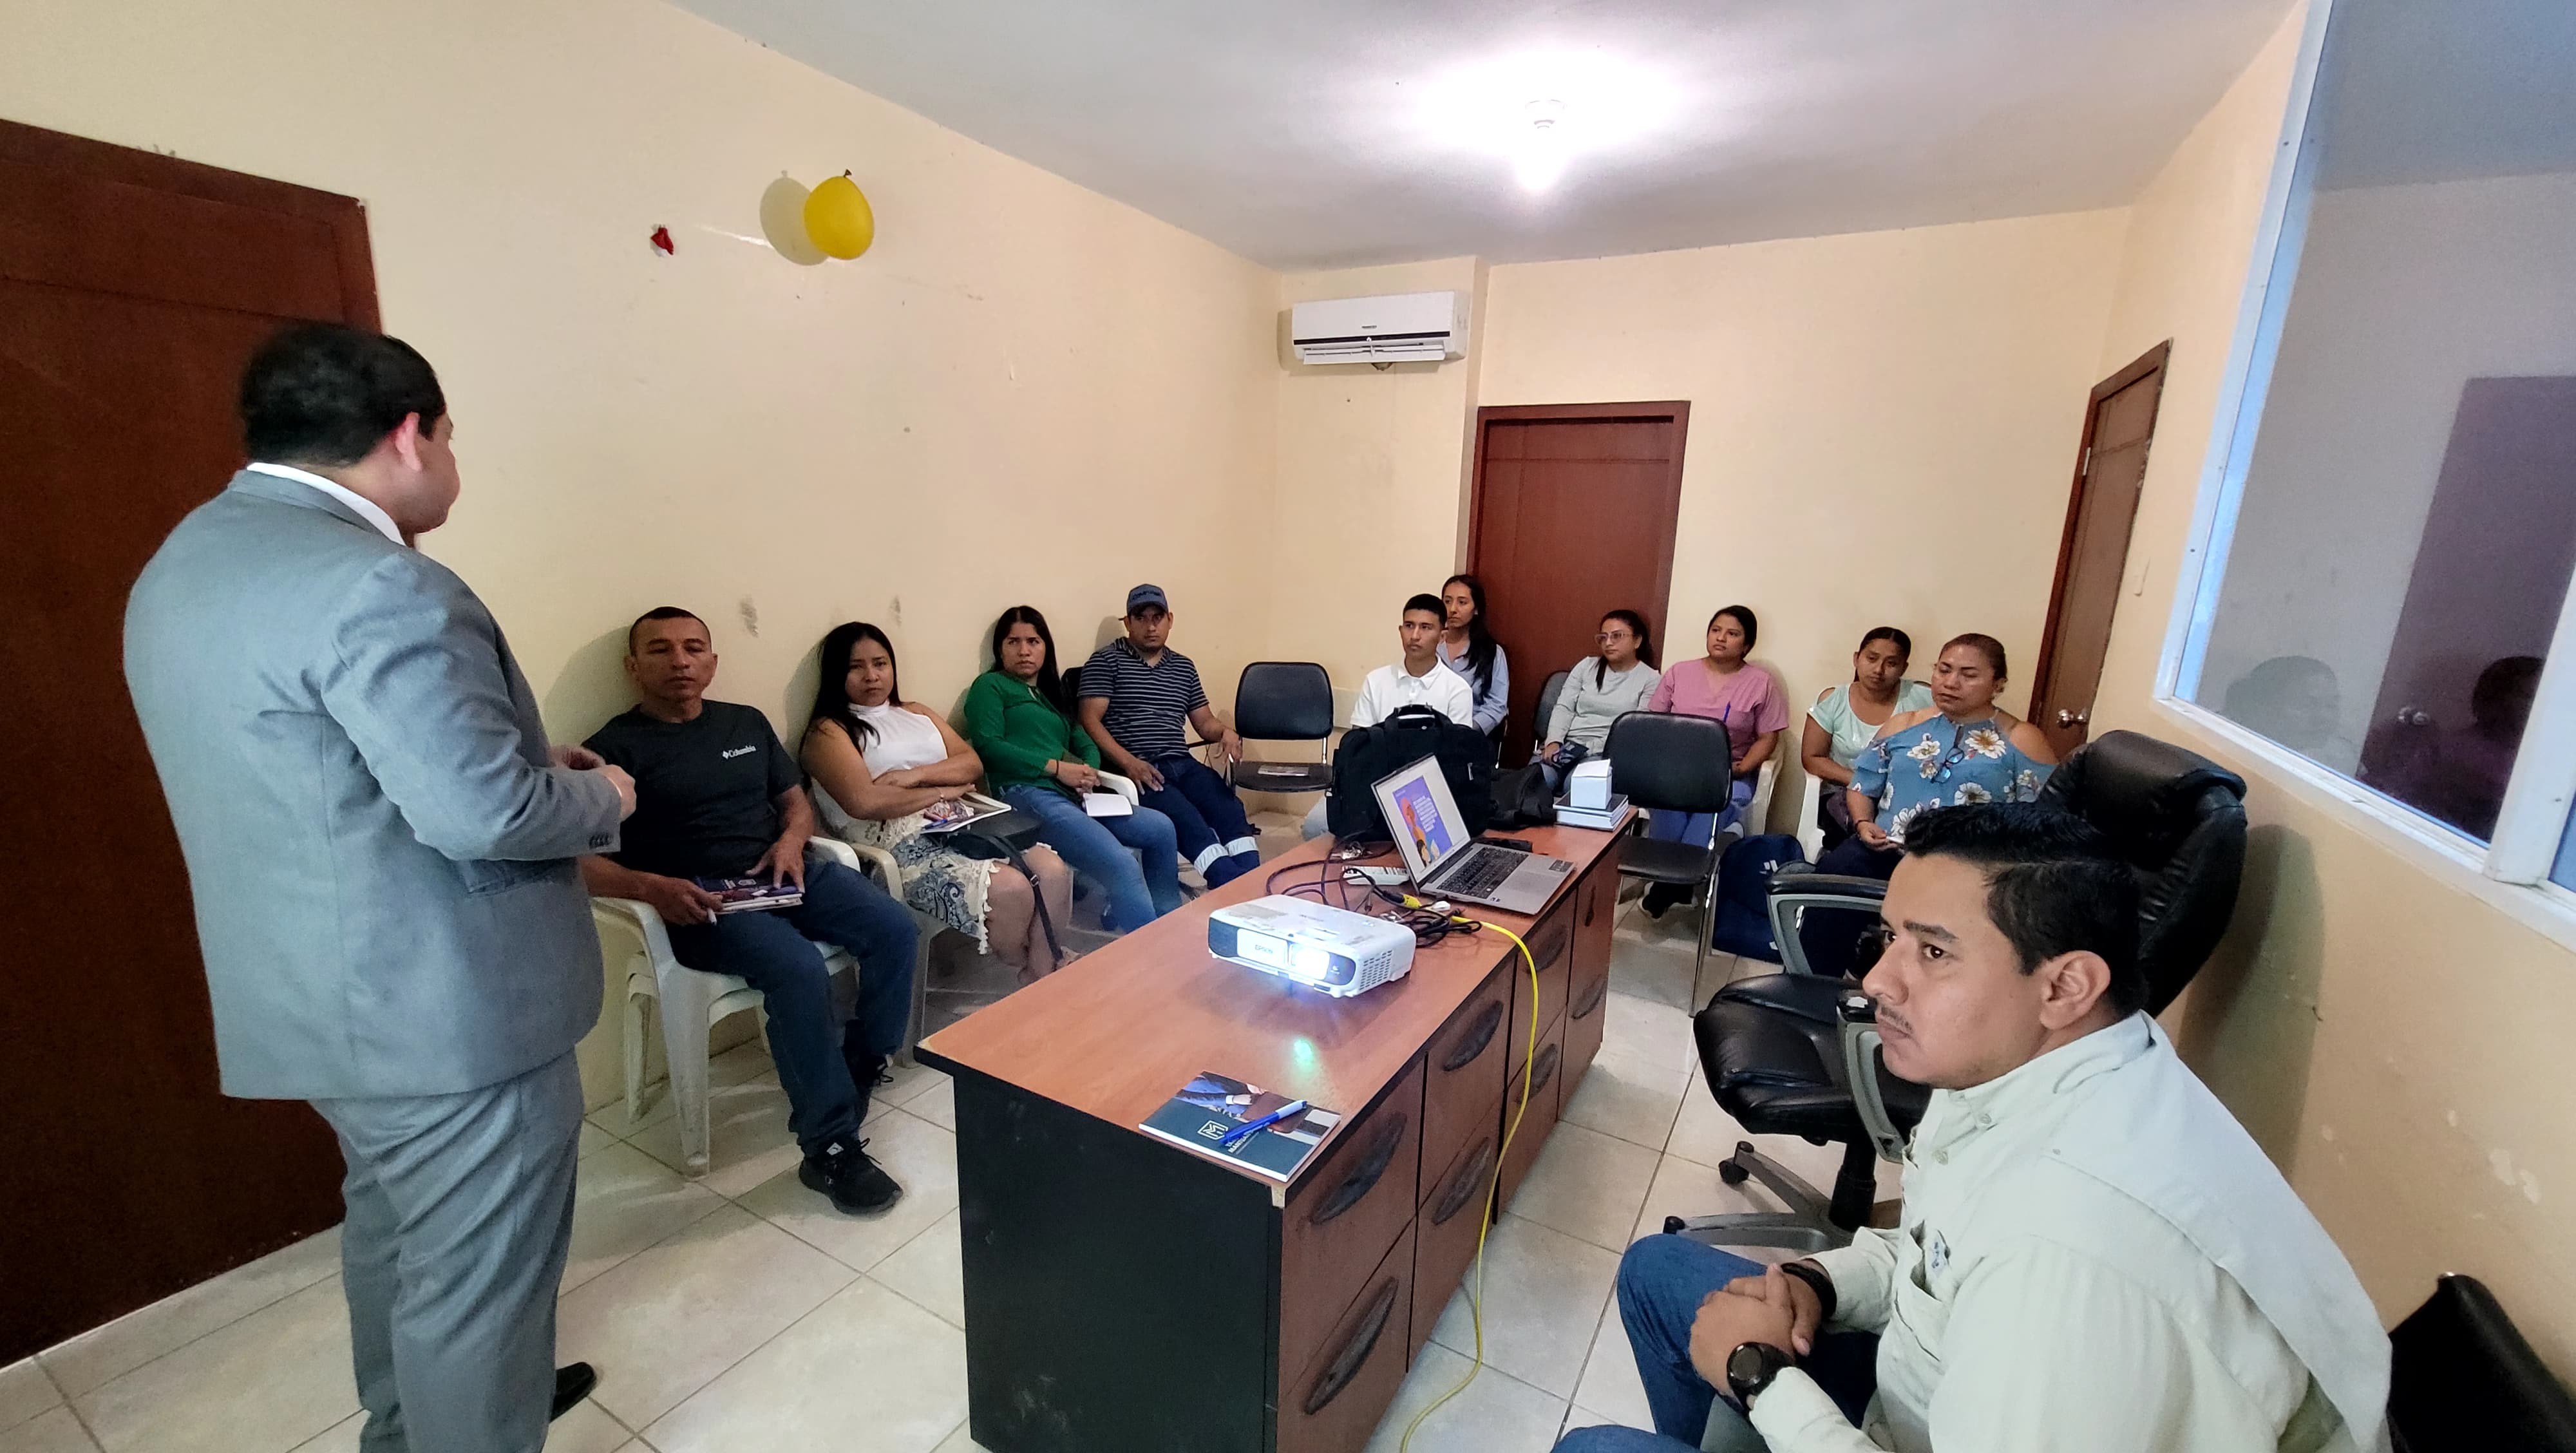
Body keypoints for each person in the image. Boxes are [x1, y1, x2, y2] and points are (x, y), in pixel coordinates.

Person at [124, 323, 635, 1452]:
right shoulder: (381, 585)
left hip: (320, 1001)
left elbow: (319, 767)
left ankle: (406, 1425)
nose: (451, 461)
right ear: (410, 436)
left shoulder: (187, 562)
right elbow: (482, 817)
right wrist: (602, 797)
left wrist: (518, 762)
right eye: (449, 436)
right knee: (478, 1284)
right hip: (447, 1014)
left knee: (397, 1235)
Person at [1555, 804, 2392, 1453]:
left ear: (2065, 986)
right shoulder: (2043, 1065)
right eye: (1892, 938)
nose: (1877, 980)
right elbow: (1937, 1248)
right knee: (1658, 1270)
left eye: (1933, 953)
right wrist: (1816, 1284)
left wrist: (1761, 1379)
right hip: (1932, 1394)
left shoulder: (2073, 1253)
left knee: (1594, 1449)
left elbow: (2007, 1255)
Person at [582, 609, 918, 1215]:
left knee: (894, 926)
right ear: (633, 667)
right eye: (660, 650)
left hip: (784, 871)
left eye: (694, 648)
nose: (680, 661)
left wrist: (791, 841)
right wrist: (652, 889)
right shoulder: (611, 750)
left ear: (712, 661)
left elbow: (796, 804)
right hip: (701, 902)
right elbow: (580, 863)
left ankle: (863, 1057)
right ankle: (830, 1147)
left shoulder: (745, 722)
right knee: (797, 969)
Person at [802, 622, 1070, 983]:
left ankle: (1039, 975)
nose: (872, 676)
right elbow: (864, 802)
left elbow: (971, 763)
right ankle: (1033, 966)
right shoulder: (829, 731)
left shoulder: (916, 712)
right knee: (1012, 889)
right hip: (897, 846)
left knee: (1053, 870)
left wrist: (914, 777)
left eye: (880, 664)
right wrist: (943, 790)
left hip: (962, 823)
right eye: (856, 667)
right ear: (836, 674)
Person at [963, 606, 1184, 931]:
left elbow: (1085, 742)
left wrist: (1088, 773)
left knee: (1161, 828)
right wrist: (1056, 769)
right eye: (1013, 642)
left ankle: (1169, 924)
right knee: (1120, 863)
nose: (1024, 651)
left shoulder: (1051, 696)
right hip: (1025, 795)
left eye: (1033, 642)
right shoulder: (990, 686)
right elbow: (988, 746)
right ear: (1000, 649)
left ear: (1046, 647)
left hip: (1072, 794)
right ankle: (1152, 949)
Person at [1820, 633, 2054, 881]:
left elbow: (2043, 819)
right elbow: (1862, 785)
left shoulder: (2022, 738)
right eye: (1944, 670)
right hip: (1889, 850)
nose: (1951, 683)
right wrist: (1863, 823)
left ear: (1998, 685)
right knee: (1831, 874)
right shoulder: (1903, 725)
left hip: (1973, 866)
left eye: (1969, 675)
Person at [1077, 584, 1264, 887]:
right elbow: (1089, 721)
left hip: (1182, 763)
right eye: (1141, 618)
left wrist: (1226, 732)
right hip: (1141, 769)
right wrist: (1128, 763)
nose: (1151, 627)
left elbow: (1204, 722)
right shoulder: (1106, 661)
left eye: (1158, 618)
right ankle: (1230, 884)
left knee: (1228, 808)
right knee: (1189, 821)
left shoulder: (1183, 667)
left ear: (1170, 620)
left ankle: (1252, 881)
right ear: (1128, 622)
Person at [1640, 605, 1789, 916]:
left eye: (1732, 634)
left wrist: (1744, 768)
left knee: (1710, 809)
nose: (1721, 638)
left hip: (1729, 774)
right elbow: (1653, 724)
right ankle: (1677, 883)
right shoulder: (1680, 673)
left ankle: (1669, 885)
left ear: (1747, 645)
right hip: (1676, 771)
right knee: (1668, 805)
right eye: (1716, 630)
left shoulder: (1761, 683)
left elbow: (1768, 738)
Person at [1300, 594, 1478, 838]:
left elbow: (1455, 758)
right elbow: (1359, 746)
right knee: (1315, 824)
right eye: (1409, 626)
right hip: (1373, 783)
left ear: (1442, 636)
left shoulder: (1457, 689)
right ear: (1400, 630)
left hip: (1430, 791)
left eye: (1426, 628)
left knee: (1415, 835)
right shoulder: (1377, 680)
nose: (1415, 635)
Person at [1801, 628, 1935, 850]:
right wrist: (1864, 783)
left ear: (1904, 668)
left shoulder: (1923, 699)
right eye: (1872, 659)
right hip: (1845, 789)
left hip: (1906, 792)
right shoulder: (1833, 700)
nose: (1879, 670)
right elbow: (1812, 758)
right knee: (1854, 829)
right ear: (1857, 659)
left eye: (1891, 663)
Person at [1539, 609, 1662, 783]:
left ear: (1637, 641)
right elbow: (1564, 707)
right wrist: (1554, 741)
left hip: (1606, 752)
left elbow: (1635, 730)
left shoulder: (1651, 679)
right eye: (1603, 637)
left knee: (1577, 786)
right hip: (1566, 746)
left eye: (1617, 636)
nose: (1608, 643)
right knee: (1536, 781)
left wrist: (1588, 749)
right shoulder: (1586, 666)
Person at [1438, 573, 1512, 739]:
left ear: (1476, 609)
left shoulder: (1492, 652)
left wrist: (1466, 729)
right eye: (1447, 601)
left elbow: (1497, 704)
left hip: (1470, 735)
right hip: (1430, 732)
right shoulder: (1432, 647)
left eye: (1462, 602)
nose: (1453, 609)